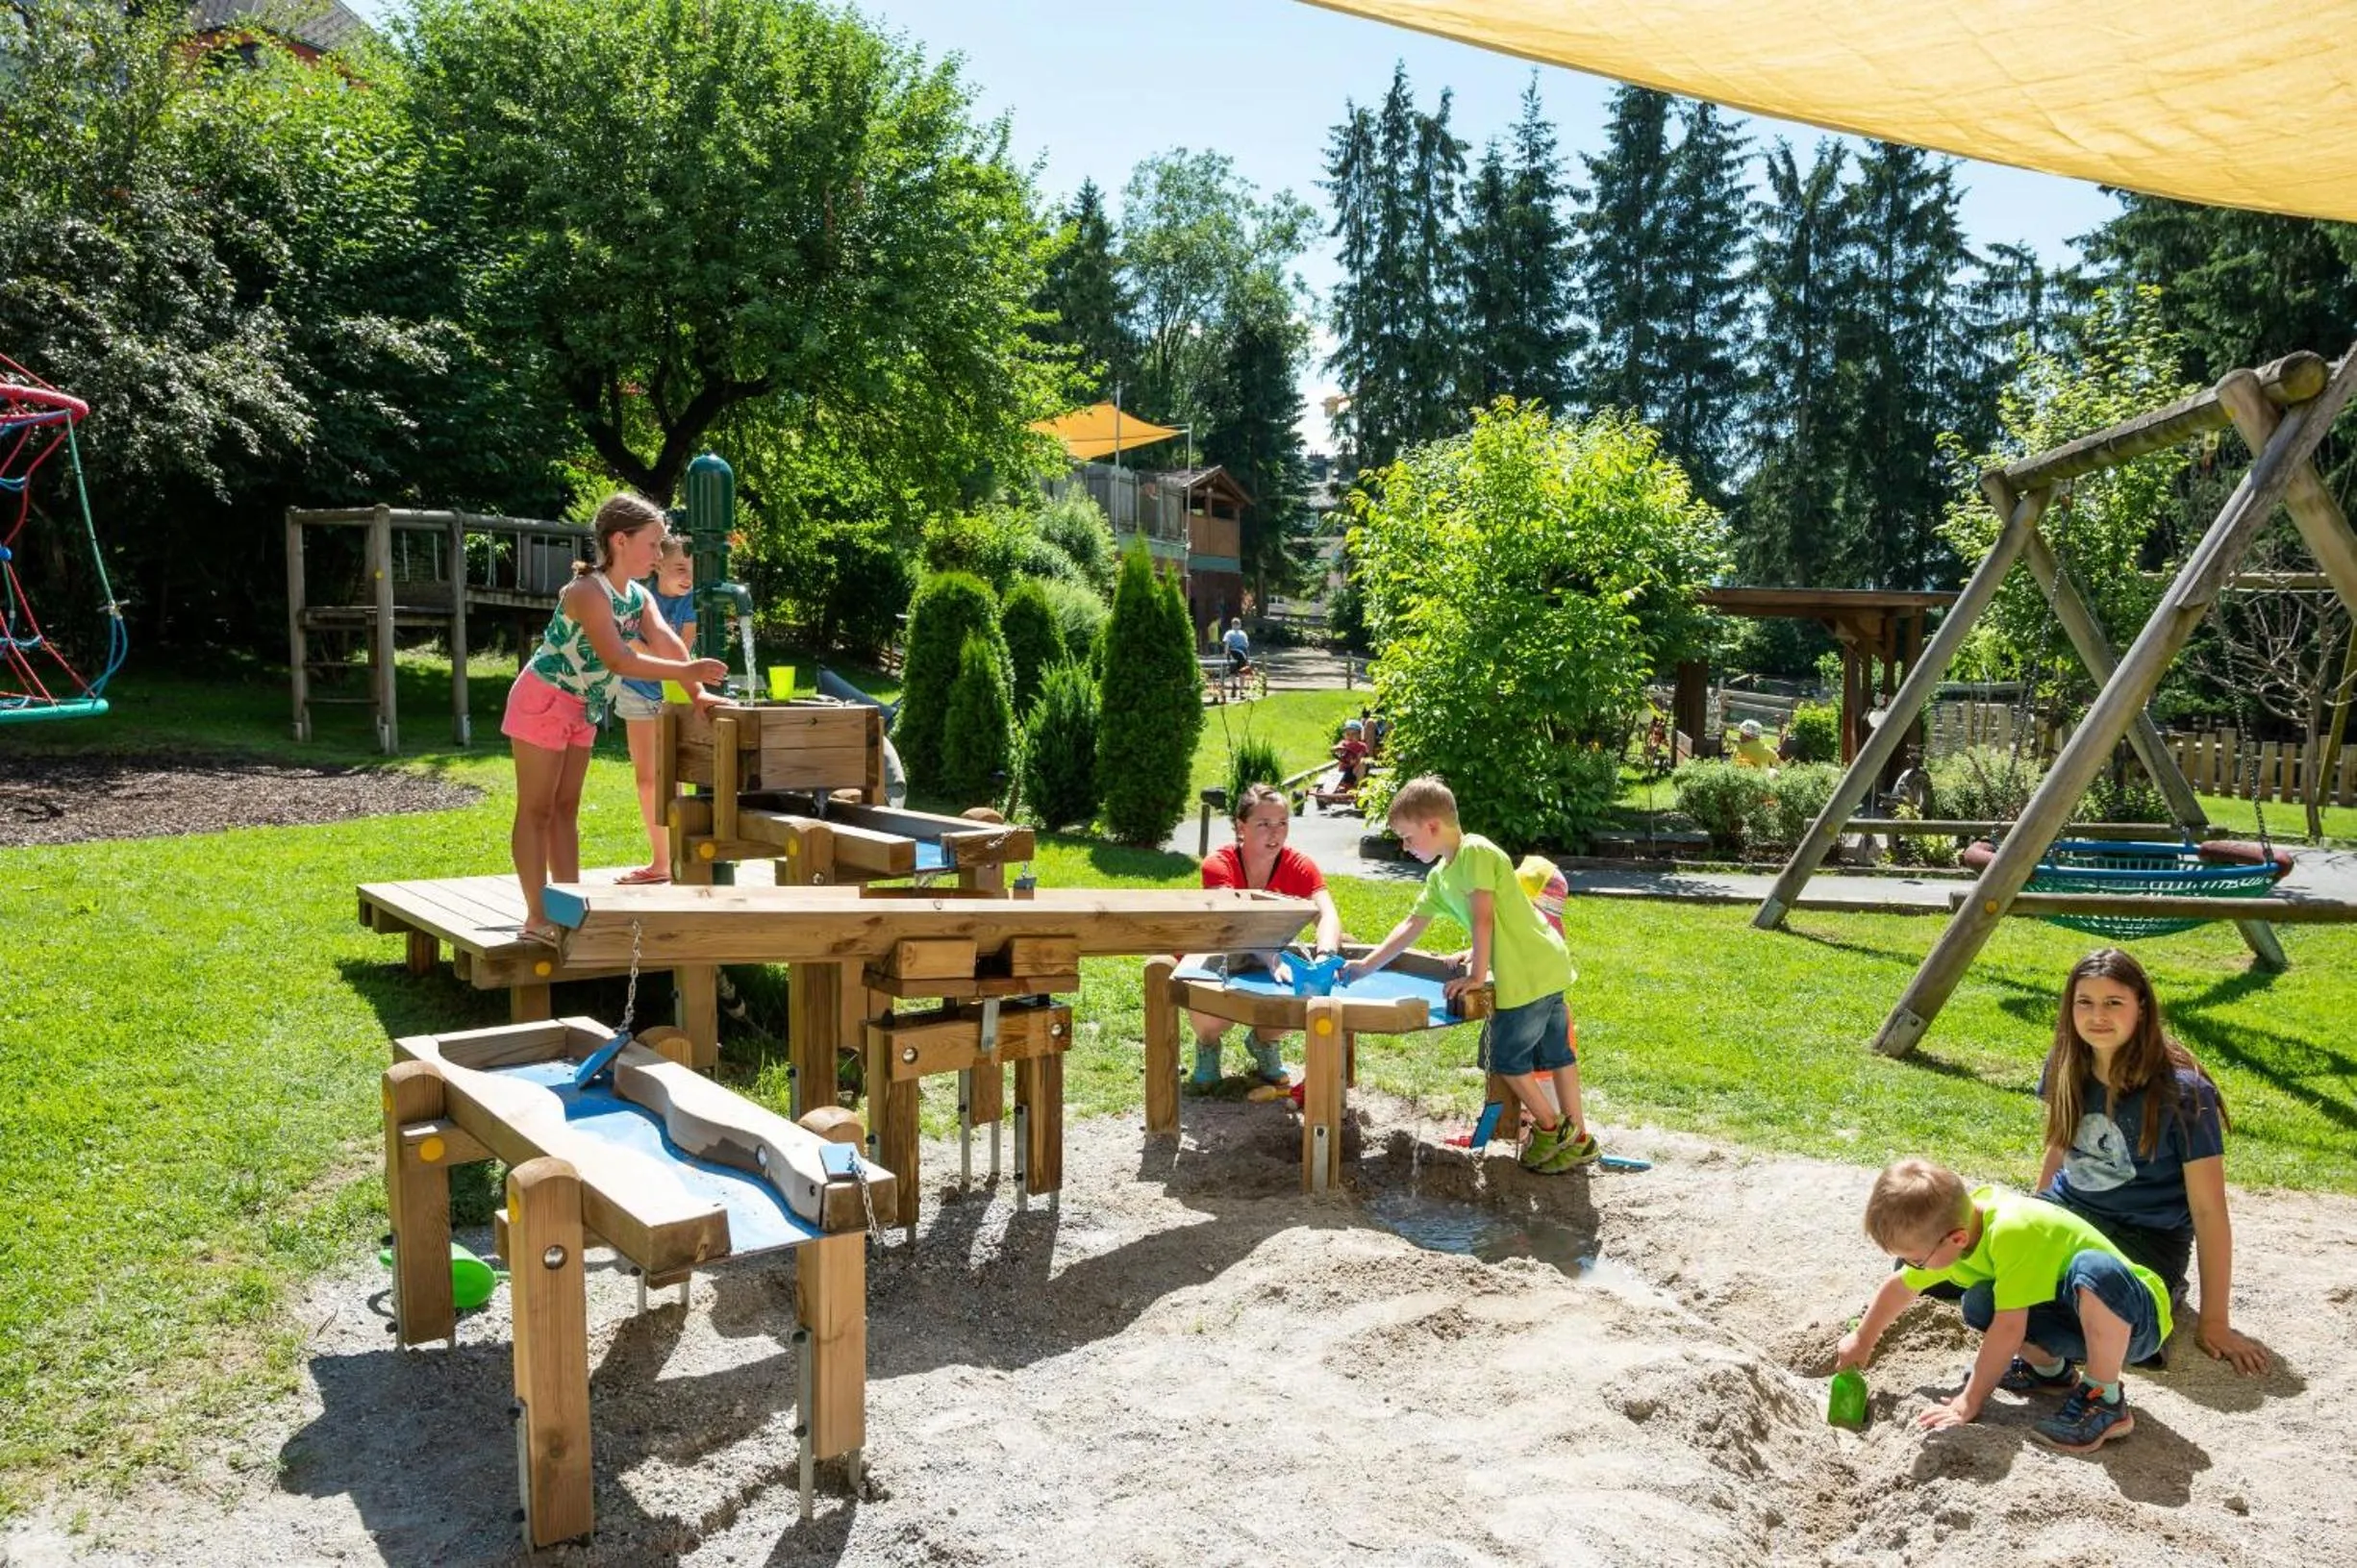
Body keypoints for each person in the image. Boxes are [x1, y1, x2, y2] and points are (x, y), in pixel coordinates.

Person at [500, 494, 726, 945]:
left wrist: (697, 693)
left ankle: (568, 909)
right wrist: (684, 673)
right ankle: (535, 917)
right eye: (653, 544)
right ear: (619, 541)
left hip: (581, 707)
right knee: (537, 809)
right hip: (543, 701)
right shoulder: (586, 592)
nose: (659, 555)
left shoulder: (638, 596)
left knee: (565, 810)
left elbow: (663, 640)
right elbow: (619, 659)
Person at [1342, 776, 1597, 1172]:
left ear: (1432, 826)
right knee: (1557, 1055)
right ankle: (1579, 1140)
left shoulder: (1476, 852)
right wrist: (1365, 965)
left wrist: (1477, 977)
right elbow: (1411, 925)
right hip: (1547, 964)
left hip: (1527, 974)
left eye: (1408, 838)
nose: (1405, 847)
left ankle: (1552, 1127)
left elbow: (1483, 920)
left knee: (1508, 1059)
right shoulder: (1440, 877)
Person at [2035, 947, 2268, 1374]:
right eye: (2084, 1002)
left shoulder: (2185, 1094)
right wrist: (2029, 1221)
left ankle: (2150, 1313)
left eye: (2113, 1003)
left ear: (2141, 1007)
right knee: (1965, 1274)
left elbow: (2208, 1210)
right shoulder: (2065, 1065)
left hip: (2143, 1239)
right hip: (2070, 1218)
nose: (2097, 1015)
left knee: (2093, 1281)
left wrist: (2215, 1322)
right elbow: (2059, 1147)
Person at [1838, 1157, 2169, 1455]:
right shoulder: (1960, 1229)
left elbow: (2009, 1329)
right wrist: (1863, 1338)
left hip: (2134, 1319)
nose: (1913, 1267)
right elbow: (1900, 1287)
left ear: (1956, 1239)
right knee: (1981, 1301)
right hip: (2075, 1316)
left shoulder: (2012, 1231)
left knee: (2094, 1269)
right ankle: (2050, 1372)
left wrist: (1969, 1401)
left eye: (1916, 1260)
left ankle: (2105, 1398)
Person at [1186, 783, 1345, 1090]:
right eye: (1264, 824)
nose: (1275, 833)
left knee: (1302, 989)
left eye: (1282, 823)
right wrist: (1272, 958)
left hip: (1272, 952)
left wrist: (1325, 956)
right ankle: (1207, 1045)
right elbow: (1237, 922)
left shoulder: (1299, 865)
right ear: (1241, 827)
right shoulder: (1218, 864)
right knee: (1216, 1017)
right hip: (1221, 951)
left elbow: (1327, 914)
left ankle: (1263, 1043)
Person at [609, 536, 698, 885]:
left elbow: (679, 655)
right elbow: (633, 650)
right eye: (680, 568)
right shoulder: (638, 597)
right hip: (637, 695)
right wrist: (640, 648)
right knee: (647, 781)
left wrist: (638, 645)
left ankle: (682, 856)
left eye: (692, 570)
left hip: (675, 698)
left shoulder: (691, 604)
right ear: (658, 564)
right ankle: (661, 861)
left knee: (678, 778)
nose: (688, 577)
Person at [1329, 718, 1371, 787]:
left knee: (1363, 762)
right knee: (1335, 771)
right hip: (1344, 769)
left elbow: (1360, 757)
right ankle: (1339, 784)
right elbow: (1337, 748)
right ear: (1344, 735)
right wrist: (1336, 749)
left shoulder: (1362, 746)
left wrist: (1354, 761)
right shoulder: (1343, 743)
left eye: (1353, 734)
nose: (1350, 736)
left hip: (1356, 770)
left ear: (1359, 735)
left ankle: (1358, 784)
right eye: (1348, 734)